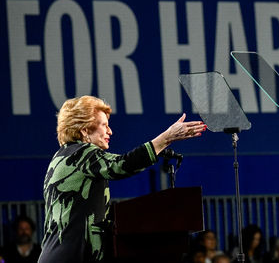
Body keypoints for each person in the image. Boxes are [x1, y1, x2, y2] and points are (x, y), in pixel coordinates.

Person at [38, 96, 206, 263]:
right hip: (73, 255)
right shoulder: (81, 153)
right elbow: (122, 165)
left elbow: (88, 215)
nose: (110, 131)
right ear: (85, 130)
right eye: (104, 125)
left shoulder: (63, 156)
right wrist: (165, 138)